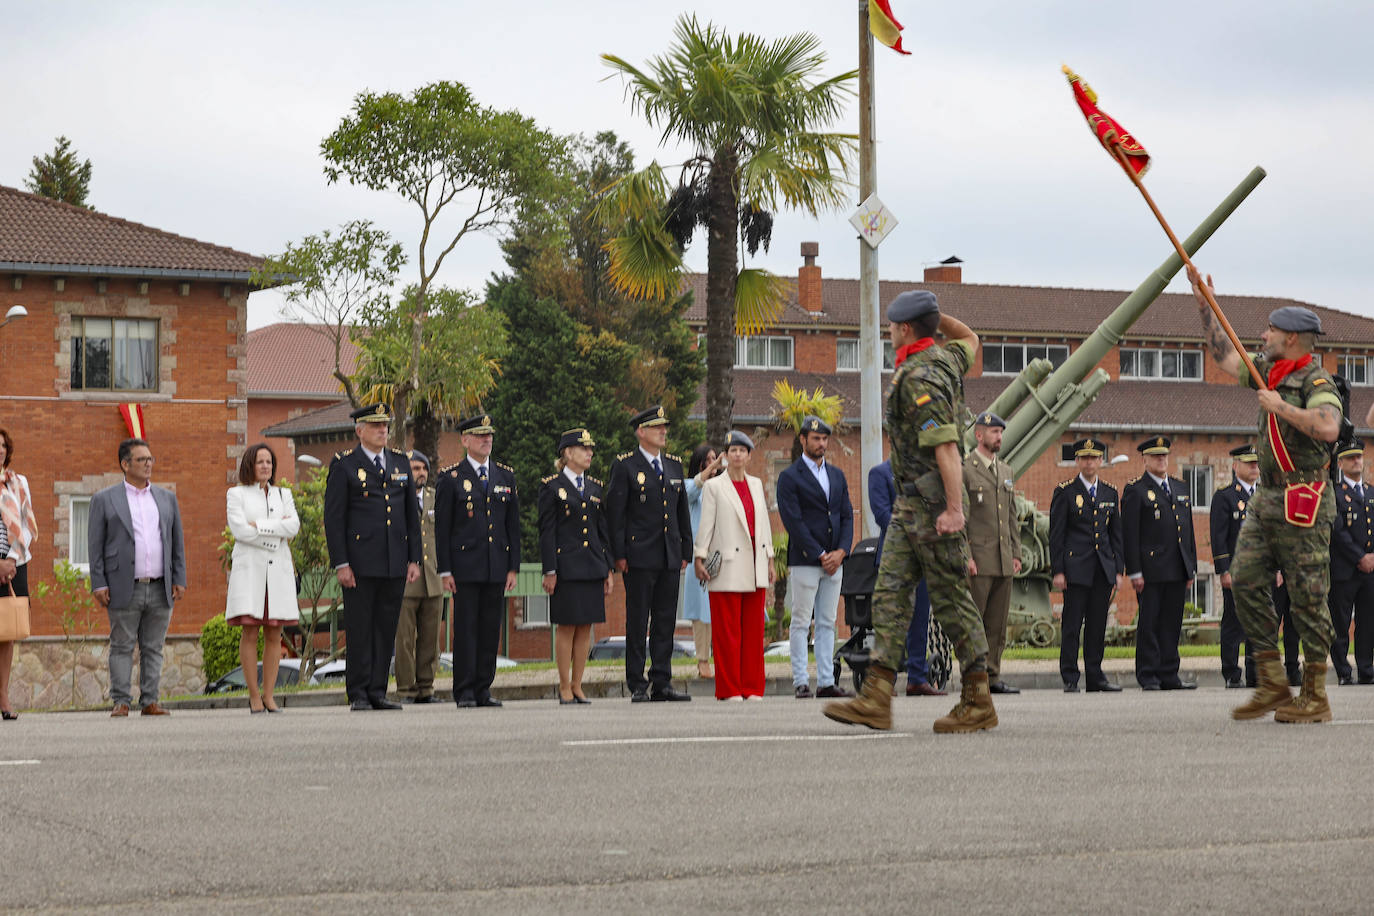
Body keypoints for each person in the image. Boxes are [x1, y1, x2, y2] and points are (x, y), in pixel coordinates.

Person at [823, 290, 997, 733]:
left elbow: (946, 448)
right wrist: (937, 319)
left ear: (903, 329)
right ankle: (876, 697)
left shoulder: (922, 377)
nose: (888, 331)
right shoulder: (947, 357)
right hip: (908, 508)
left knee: (952, 602)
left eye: (891, 326)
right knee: (889, 596)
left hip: (934, 509)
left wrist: (955, 509)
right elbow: (971, 337)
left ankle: (978, 699)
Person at [1192, 266, 1342, 723]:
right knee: (1245, 580)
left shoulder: (1315, 383)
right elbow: (1224, 358)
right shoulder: (1267, 370)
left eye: (1271, 329)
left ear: (1293, 338)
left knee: (1307, 598)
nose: (1264, 333)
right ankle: (1273, 680)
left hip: (1304, 501)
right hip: (1267, 499)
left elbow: (1329, 427)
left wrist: (1283, 408)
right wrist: (1204, 303)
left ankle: (1314, 694)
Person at [323, 404, 421, 712]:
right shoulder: (345, 465)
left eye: (385, 425)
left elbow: (410, 516)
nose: (382, 430)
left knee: (385, 627)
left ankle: (378, 690)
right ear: (359, 430)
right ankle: (359, 692)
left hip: (394, 560)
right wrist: (341, 563)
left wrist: (414, 558)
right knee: (360, 627)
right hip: (360, 563)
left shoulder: (400, 462)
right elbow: (334, 518)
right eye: (376, 425)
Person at [88, 437, 186, 717]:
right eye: (142, 459)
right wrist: (99, 582)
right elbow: (95, 545)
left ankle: (150, 701)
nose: (148, 464)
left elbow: (176, 542)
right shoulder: (104, 499)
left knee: (153, 648)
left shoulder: (166, 498)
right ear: (125, 464)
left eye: (150, 459)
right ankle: (121, 700)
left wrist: (179, 577)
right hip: (122, 586)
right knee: (121, 646)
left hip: (159, 586)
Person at [605, 405, 693, 703]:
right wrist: (619, 554)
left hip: (669, 554)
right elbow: (615, 513)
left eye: (664, 427)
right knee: (638, 620)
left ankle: (662, 680)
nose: (663, 431)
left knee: (665, 620)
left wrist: (686, 549)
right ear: (641, 432)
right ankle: (637, 683)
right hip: (639, 555)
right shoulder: (625, 466)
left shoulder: (673, 465)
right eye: (657, 427)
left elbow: (682, 513)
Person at [436, 414, 520, 709]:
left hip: (495, 566)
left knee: (489, 630)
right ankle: (465, 690)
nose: (487, 440)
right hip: (465, 568)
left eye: (489, 435)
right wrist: (445, 569)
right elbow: (443, 529)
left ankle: (484, 687)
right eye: (480, 435)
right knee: (467, 630)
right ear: (465, 440)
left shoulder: (504, 476)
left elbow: (513, 526)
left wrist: (513, 566)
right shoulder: (451, 478)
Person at [776, 415, 853, 699]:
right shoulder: (789, 477)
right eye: (816, 438)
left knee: (826, 622)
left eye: (824, 439)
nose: (821, 444)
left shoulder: (837, 475)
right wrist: (821, 554)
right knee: (800, 621)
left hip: (835, 561)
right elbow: (793, 521)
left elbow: (847, 514)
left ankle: (825, 681)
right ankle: (800, 680)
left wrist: (842, 551)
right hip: (807, 560)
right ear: (803, 440)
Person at [693, 431, 774, 700]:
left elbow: (763, 525)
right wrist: (699, 556)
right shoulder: (715, 486)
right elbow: (706, 524)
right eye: (732, 450)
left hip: (755, 563)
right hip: (727, 562)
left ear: (750, 456)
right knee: (727, 632)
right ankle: (729, 688)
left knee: (753, 632)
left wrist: (771, 559)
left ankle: (752, 687)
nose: (737, 455)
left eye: (742, 450)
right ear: (726, 456)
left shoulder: (756, 484)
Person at [538, 428, 613, 704]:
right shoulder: (551, 486)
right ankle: (563, 685)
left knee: (585, 627)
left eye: (591, 449)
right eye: (584, 449)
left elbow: (600, 531)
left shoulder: (594, 487)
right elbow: (547, 531)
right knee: (567, 626)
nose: (589, 453)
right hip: (566, 567)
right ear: (568, 453)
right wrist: (550, 570)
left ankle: (578, 683)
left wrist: (607, 569)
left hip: (592, 565)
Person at [225, 444, 300, 714]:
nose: (265, 466)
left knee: (274, 633)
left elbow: (293, 526)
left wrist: (262, 526)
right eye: (260, 462)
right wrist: (275, 532)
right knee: (250, 631)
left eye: (269, 462)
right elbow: (240, 531)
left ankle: (269, 695)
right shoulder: (236, 494)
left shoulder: (284, 494)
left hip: (277, 571)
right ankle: (254, 695)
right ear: (250, 465)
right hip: (251, 571)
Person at [1049, 437, 1125, 693]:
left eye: (1093, 458)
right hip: (1075, 569)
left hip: (1102, 569)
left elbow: (1116, 535)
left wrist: (1118, 569)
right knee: (1072, 625)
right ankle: (1070, 676)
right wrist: (1058, 570)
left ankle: (1095, 675)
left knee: (1097, 625)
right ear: (1077, 461)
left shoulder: (1110, 492)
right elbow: (1056, 534)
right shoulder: (1065, 491)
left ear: (1100, 461)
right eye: (1084, 458)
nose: (1089, 462)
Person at [1122, 436, 1198, 691]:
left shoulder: (1180, 487)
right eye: (1155, 456)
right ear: (1144, 460)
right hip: (1151, 570)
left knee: (1172, 623)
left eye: (1164, 456)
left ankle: (1169, 674)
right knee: (1150, 623)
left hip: (1177, 567)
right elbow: (1130, 535)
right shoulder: (1136, 490)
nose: (1161, 460)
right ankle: (1148, 674)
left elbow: (1188, 532)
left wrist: (1191, 567)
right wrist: (1134, 571)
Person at [868, 459, 943, 697]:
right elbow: (882, 514)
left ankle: (917, 679)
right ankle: (883, 680)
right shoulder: (879, 473)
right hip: (895, 559)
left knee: (920, 620)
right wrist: (919, 531)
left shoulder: (926, 473)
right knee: (891, 621)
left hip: (922, 559)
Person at [963, 412, 1024, 695]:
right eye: (993, 432)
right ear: (979, 435)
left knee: (998, 623)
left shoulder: (1006, 471)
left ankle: (993, 674)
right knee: (975, 620)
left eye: (1001, 432)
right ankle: (973, 674)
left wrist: (1016, 553)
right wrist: (967, 556)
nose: (999, 437)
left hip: (1002, 559)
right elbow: (961, 519)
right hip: (979, 559)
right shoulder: (966, 470)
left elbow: (1011, 517)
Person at [395, 450, 444, 703]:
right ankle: (405, 689)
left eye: (423, 468)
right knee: (404, 640)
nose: (421, 473)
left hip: (433, 578)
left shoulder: (437, 499)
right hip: (406, 581)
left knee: (430, 639)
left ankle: (426, 688)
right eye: (415, 469)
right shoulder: (396, 498)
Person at [1211, 444, 1261, 688]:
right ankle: (1232, 673)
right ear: (1235, 466)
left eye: (1256, 463)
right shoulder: (1225, 496)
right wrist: (1224, 569)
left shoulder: (1264, 495)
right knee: (1234, 623)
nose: (1254, 467)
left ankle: (1256, 673)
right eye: (1249, 463)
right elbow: (1219, 536)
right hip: (1237, 572)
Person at [1327, 438, 1374, 686]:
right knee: (1341, 622)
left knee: (1367, 622)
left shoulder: (1371, 492)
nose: (1357, 461)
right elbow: (1337, 532)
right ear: (1341, 463)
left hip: (1370, 571)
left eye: (1359, 457)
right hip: (1345, 569)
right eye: (1351, 458)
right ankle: (1344, 671)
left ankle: (1366, 668)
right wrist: (1360, 557)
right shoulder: (1334, 494)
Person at [0, 427, 37, 721]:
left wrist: (10, 560)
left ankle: (3, 697)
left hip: (14, 564)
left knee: (7, 633)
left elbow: (26, 524)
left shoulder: (18, 482)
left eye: (2, 445)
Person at [683, 443, 726, 679]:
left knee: (721, 609)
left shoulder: (722, 489)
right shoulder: (691, 488)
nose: (713, 465)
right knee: (701, 614)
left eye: (715, 459)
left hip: (722, 557)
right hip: (699, 558)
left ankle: (723, 659)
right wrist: (713, 469)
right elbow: (693, 488)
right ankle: (702, 660)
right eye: (707, 460)